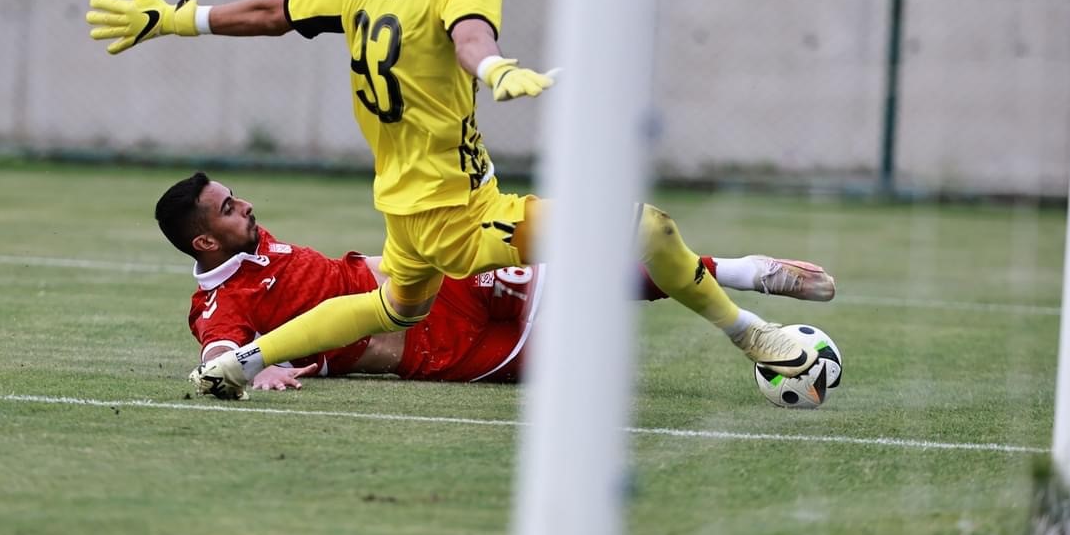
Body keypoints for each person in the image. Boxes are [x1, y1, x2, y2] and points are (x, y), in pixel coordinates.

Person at [89, 0, 818, 399]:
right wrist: (495, 68)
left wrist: (180, 17)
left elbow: (274, 12)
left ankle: (247, 362)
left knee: (394, 307)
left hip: (402, 208)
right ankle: (757, 338)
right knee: (645, 227)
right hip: (457, 212)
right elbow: (471, 36)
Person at [155, 172, 836, 398]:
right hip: (434, 355)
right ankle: (731, 284)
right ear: (205, 240)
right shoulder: (219, 300)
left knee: (583, 278)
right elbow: (215, 350)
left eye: (234, 197)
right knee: (593, 372)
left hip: (433, 287)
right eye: (227, 208)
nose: (243, 206)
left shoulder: (252, 242)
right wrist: (257, 366)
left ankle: (743, 272)